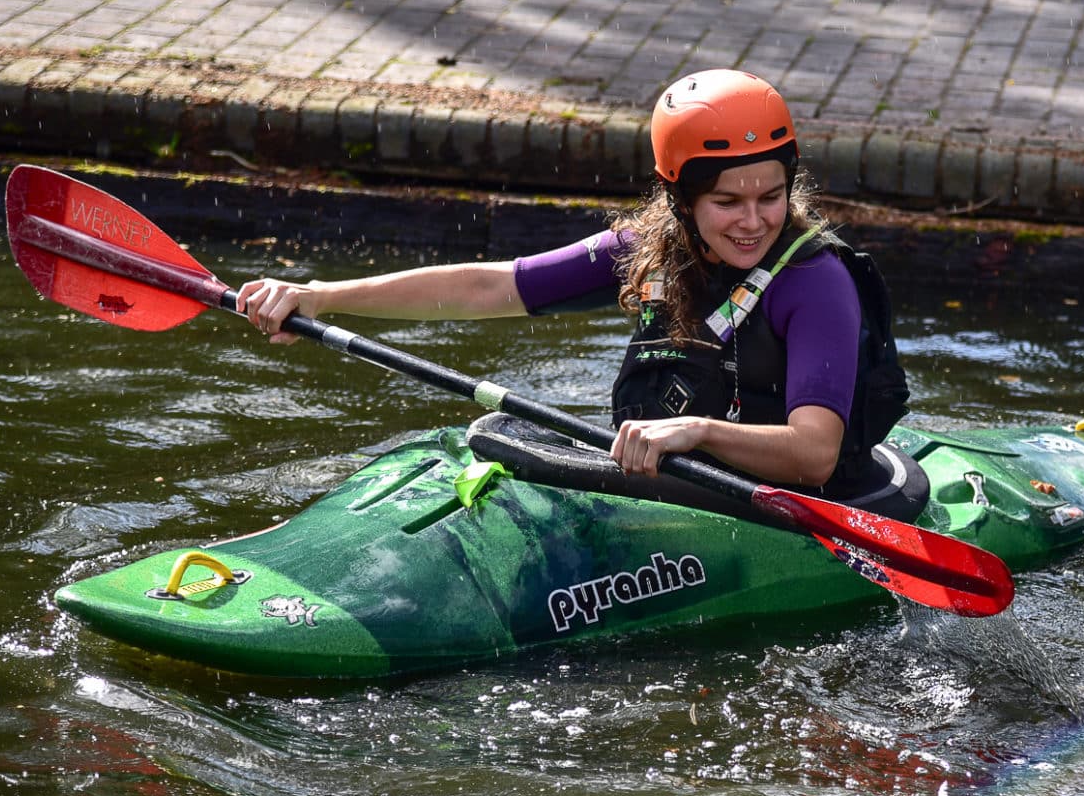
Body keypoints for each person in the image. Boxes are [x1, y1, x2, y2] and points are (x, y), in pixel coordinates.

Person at [235, 68, 909, 503]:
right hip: (682, 489)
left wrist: (694, 432)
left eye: (771, 195)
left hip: (809, 504)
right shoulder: (650, 248)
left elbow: (815, 455)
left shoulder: (816, 281)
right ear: (679, 199)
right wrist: (321, 296)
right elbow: (490, 289)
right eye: (727, 202)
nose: (754, 220)